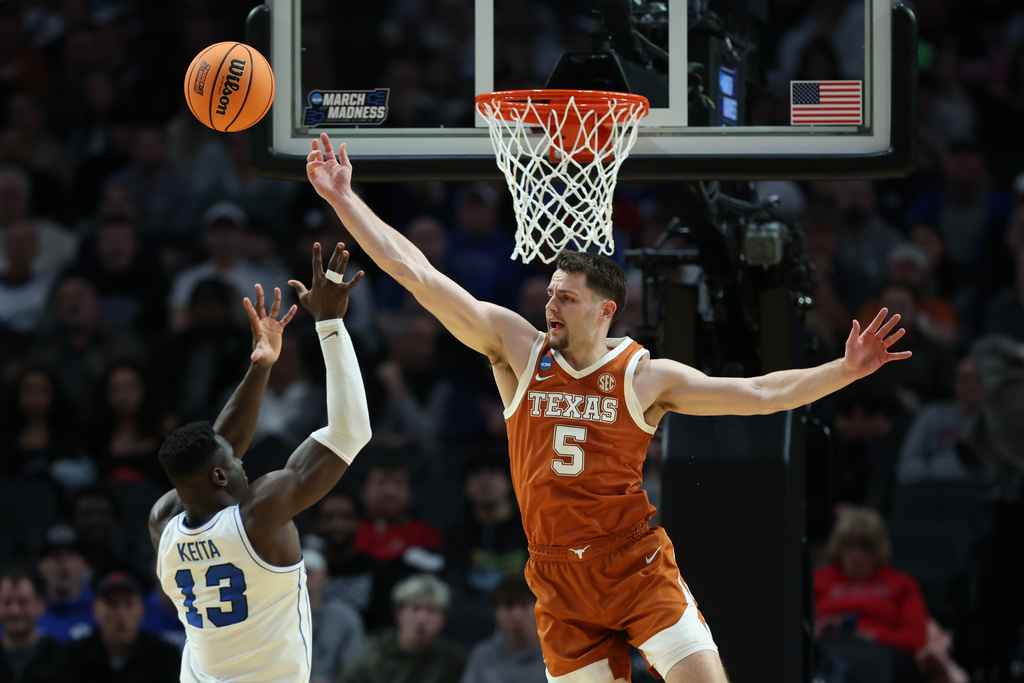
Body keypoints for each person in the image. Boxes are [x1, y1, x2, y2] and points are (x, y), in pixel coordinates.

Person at [306, 132, 912, 683]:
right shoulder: (517, 350)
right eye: (549, 295)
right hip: (556, 577)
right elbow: (418, 274)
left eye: (566, 299)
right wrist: (343, 199)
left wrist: (846, 369)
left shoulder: (645, 376)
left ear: (604, 311)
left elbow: (759, 395)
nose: (551, 307)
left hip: (634, 565)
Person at [148, 243, 372, 683]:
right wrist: (330, 324)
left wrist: (262, 363)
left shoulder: (162, 524)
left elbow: (219, 445)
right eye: (233, 461)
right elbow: (350, 433)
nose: (241, 459)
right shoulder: (260, 514)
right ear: (218, 475)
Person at [336, 574, 465, 683]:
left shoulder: (452, 661)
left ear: (443, 620)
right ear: (398, 614)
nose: (422, 618)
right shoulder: (372, 655)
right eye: (415, 608)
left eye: (431, 610)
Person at [61, 570, 180, 683]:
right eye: (112, 604)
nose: (121, 614)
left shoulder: (164, 656)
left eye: (128, 604)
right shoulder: (75, 656)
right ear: (95, 610)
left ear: (142, 610)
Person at [459, 572, 546, 683]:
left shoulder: (560, 658)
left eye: (524, 605)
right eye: (508, 607)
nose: (516, 616)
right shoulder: (481, 657)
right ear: (495, 613)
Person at [303, 549, 366, 683]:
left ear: (324, 576)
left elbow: (356, 667)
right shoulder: (274, 618)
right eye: (296, 573)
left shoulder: (345, 619)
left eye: (308, 572)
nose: (301, 578)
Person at [0, 569, 66, 683]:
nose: (15, 611)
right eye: (7, 602)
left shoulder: (61, 658)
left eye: (23, 602)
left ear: (40, 606)